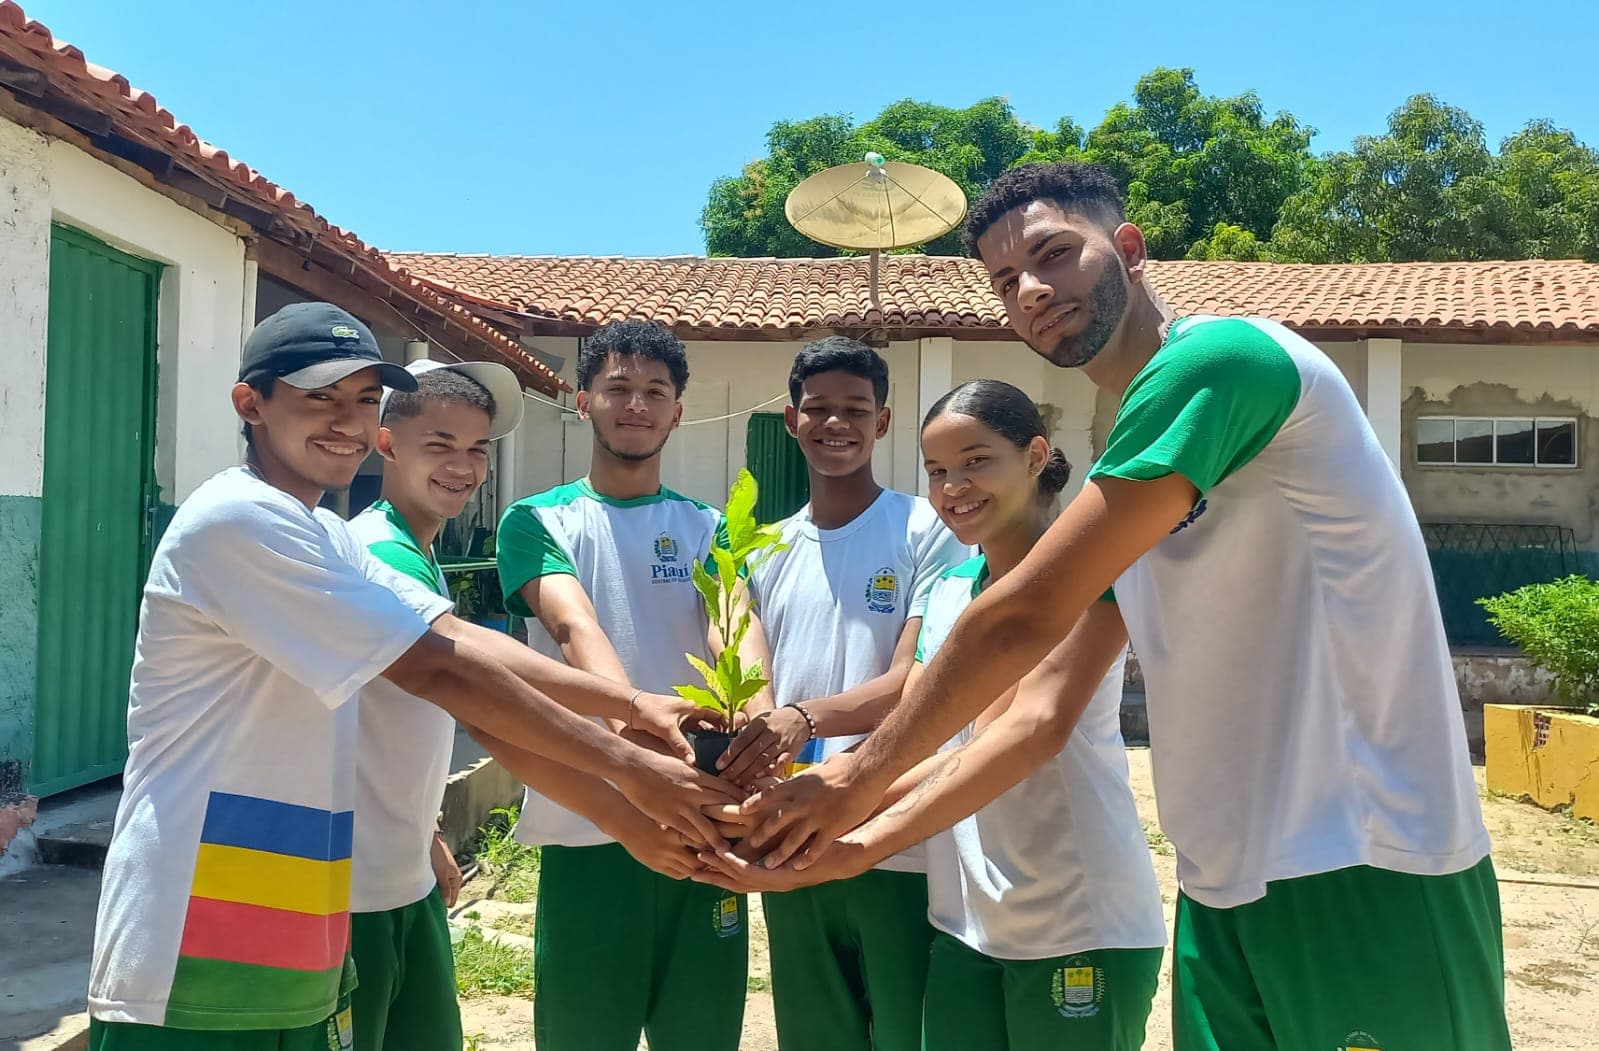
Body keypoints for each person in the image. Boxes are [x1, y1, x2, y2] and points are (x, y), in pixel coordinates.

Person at [731, 162, 1512, 1051]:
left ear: (1129, 250)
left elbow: (1022, 621)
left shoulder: (1223, 361)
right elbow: (1032, 710)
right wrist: (853, 842)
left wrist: (851, 781)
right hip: (1220, 880)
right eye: (1003, 281)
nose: (1029, 289)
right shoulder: (1123, 454)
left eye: (1053, 254)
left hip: (1366, 855)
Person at [86, 303, 735, 1051]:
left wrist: (635, 703)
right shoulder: (240, 518)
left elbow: (452, 633)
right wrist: (628, 766)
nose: (347, 421)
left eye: (363, 399)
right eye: (320, 396)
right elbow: (436, 668)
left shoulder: (325, 532)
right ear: (250, 401)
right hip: (191, 942)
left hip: (294, 918)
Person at [709, 379, 1166, 1051]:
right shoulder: (952, 588)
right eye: (937, 471)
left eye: (976, 461)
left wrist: (845, 844)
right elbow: (923, 741)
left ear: (1035, 455)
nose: (953, 486)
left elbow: (1022, 733)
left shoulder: (1089, 577)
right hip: (965, 923)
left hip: (1076, 916)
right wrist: (801, 818)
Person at [495, 319, 757, 1051]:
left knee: (701, 1031)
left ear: (677, 410)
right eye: (617, 388)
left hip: (703, 813)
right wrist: (637, 753)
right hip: (591, 817)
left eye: (654, 391)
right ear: (583, 402)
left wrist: (758, 711)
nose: (635, 405)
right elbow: (575, 629)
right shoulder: (536, 519)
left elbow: (730, 620)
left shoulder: (709, 524)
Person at [714, 338, 969, 1051]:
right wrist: (763, 727)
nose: (835, 424)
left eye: (854, 409)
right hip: (790, 829)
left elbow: (917, 684)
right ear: (791, 419)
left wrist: (800, 719)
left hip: (894, 827)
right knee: (814, 1029)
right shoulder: (761, 546)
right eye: (817, 408)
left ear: (883, 422)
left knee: (907, 1030)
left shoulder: (928, 528)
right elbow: (749, 673)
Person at [345, 357, 524, 1051]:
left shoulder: (416, 551)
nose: (464, 466)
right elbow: (468, 685)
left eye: (477, 448)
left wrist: (428, 836)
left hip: (402, 871)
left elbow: (382, 724)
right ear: (386, 444)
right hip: (354, 887)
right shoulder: (375, 553)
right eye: (440, 445)